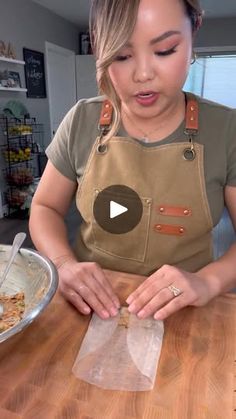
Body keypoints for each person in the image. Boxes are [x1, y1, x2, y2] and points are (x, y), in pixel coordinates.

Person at [29, 0, 236, 322]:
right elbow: (45, 208)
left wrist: (207, 282)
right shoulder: (82, 120)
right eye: (122, 56)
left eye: (165, 50)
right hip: (90, 305)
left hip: (184, 309)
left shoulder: (227, 130)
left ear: (194, 30)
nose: (142, 74)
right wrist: (63, 264)